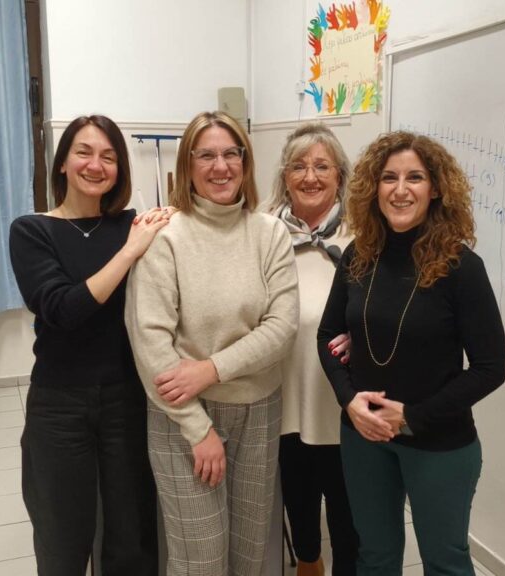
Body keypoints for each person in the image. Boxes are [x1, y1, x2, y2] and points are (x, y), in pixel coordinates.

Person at [316, 131, 505, 576]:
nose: (400, 190)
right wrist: (349, 400)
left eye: (415, 178)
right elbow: (327, 334)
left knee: (445, 562)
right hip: (364, 435)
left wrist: (412, 416)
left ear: (436, 189)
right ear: (374, 187)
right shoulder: (358, 256)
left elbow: (490, 367)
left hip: (438, 441)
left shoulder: (461, 267)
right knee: (375, 558)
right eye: (389, 178)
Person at [124, 110, 299, 576]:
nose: (220, 167)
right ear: (187, 165)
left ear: (245, 161)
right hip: (182, 414)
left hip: (259, 411)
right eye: (206, 156)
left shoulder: (270, 233)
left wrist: (210, 369)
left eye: (230, 154)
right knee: (200, 559)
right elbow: (150, 342)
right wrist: (198, 429)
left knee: (249, 554)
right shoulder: (166, 237)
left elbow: (282, 328)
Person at [9, 115, 171, 576]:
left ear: (119, 169)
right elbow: (63, 308)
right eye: (83, 152)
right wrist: (130, 251)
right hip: (59, 404)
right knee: (62, 536)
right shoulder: (32, 230)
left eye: (108, 156)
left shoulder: (133, 224)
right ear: (62, 162)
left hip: (128, 399)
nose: (95, 165)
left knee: (131, 536)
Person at [266, 123, 359, 576]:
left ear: (340, 175)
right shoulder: (265, 233)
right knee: (299, 509)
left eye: (322, 166)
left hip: (343, 403)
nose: (310, 177)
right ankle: (309, 563)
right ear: (284, 177)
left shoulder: (365, 234)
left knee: (348, 519)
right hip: (284, 399)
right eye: (298, 166)